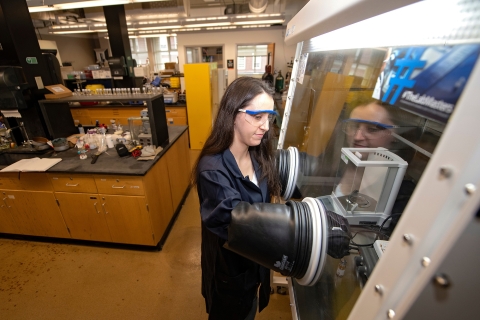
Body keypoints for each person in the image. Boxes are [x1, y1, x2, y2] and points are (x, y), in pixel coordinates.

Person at [192, 77, 281, 320]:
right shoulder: (212, 170)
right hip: (229, 276)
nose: (265, 126)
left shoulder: (259, 157)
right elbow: (239, 220)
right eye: (257, 116)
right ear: (232, 114)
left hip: (254, 269)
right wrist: (307, 228)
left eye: (269, 117)